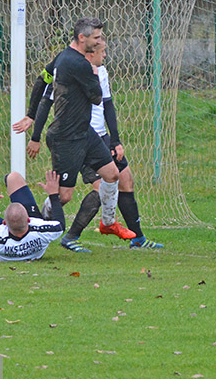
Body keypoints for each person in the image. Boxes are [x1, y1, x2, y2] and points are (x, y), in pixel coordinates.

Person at [14, 40, 163, 250]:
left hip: (99, 137)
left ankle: (137, 238)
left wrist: (115, 139)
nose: (105, 55)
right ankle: (54, 230)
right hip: (76, 137)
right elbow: (47, 98)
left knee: (124, 178)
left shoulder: (101, 71)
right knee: (74, 193)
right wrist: (35, 135)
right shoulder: (67, 68)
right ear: (89, 51)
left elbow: (107, 104)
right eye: (102, 50)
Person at [14, 17, 131, 242]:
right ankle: (35, 223)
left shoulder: (62, 57)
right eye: (96, 37)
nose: (99, 42)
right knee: (64, 195)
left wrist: (30, 114)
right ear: (82, 38)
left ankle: (108, 223)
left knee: (112, 174)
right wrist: (95, 73)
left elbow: (41, 81)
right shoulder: (79, 64)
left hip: (84, 133)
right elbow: (97, 98)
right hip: (66, 138)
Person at [0, 151, 65, 261]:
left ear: (4, 224)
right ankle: (5, 179)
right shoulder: (41, 232)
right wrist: (53, 194)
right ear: (29, 219)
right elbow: (60, 224)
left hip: (9, 234)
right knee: (14, 177)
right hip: (31, 233)